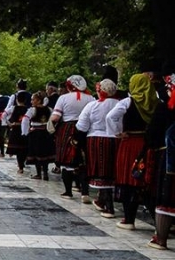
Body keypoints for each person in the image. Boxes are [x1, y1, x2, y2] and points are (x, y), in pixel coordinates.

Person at [107, 73, 159, 230]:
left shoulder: (128, 102)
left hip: (130, 143)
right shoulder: (155, 101)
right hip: (148, 143)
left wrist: (117, 133)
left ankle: (129, 219)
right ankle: (160, 223)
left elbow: (111, 117)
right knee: (145, 181)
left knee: (128, 179)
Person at [75, 79, 120, 218]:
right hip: (117, 139)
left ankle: (109, 206)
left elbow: (81, 126)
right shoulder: (120, 103)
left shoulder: (92, 105)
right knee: (112, 170)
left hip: (97, 139)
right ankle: (102, 201)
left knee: (102, 172)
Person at [51, 75, 95, 200]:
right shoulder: (91, 98)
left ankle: (68, 191)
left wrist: (50, 128)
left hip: (67, 129)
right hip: (85, 130)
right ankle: (85, 192)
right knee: (83, 160)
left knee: (66, 162)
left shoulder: (63, 98)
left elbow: (55, 117)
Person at [147, 73, 175, 249]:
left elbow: (152, 134)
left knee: (167, 195)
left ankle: (161, 238)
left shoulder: (164, 108)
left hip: (169, 157)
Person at [21, 92, 56, 180]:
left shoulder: (32, 110)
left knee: (37, 154)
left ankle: (39, 174)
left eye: (33, 99)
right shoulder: (49, 109)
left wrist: (25, 132)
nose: (31, 101)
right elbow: (53, 120)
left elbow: (25, 120)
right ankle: (45, 173)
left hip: (36, 133)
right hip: (46, 133)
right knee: (45, 153)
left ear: (39, 100)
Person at [6, 92, 30, 174]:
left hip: (16, 130)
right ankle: (22, 163)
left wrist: (9, 123)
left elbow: (4, 114)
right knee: (23, 148)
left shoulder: (13, 108)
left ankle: (20, 166)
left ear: (16, 100)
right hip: (25, 130)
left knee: (18, 148)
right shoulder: (28, 109)